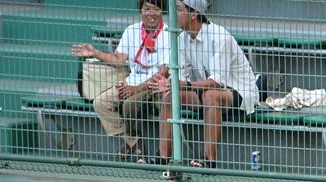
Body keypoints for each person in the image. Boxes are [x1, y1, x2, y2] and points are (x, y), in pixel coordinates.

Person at [152, 0, 259, 168]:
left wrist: (183, 84)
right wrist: (169, 84)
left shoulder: (220, 36)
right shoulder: (182, 39)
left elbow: (217, 82)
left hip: (241, 92)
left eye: (178, 9)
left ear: (193, 13)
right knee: (170, 96)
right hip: (206, 91)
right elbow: (181, 76)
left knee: (210, 96)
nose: (173, 14)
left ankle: (209, 160)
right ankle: (164, 157)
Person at [70, 1, 170, 162]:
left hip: (155, 85)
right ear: (140, 11)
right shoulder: (131, 30)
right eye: (146, 9)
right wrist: (95, 53)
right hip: (131, 81)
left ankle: (135, 148)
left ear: (162, 11)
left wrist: (137, 89)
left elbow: (163, 72)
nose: (151, 13)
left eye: (155, 9)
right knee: (100, 103)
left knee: (129, 103)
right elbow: (118, 59)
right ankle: (133, 142)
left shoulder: (168, 34)